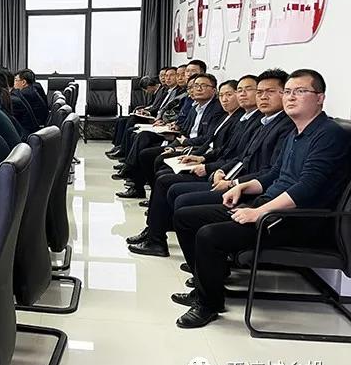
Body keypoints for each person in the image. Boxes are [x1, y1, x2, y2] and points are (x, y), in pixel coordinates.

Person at [172, 69, 350, 328]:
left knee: (209, 235)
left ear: (320, 98)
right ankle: (206, 283)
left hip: (297, 220)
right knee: (185, 217)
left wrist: (258, 212)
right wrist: (241, 187)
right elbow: (275, 174)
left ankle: (208, 304)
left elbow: (308, 188)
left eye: (300, 91)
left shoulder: (329, 134)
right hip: (271, 209)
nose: (291, 97)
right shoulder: (296, 132)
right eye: (288, 91)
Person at [127, 79, 245, 257]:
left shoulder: (237, 118)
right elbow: (211, 143)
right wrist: (196, 155)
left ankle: (156, 238)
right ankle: (153, 230)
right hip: (210, 161)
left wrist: (206, 164)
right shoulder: (229, 116)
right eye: (223, 95)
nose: (225, 99)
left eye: (230, 94)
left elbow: (231, 154)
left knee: (164, 178)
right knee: (161, 170)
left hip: (222, 174)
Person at [168, 69, 294, 211]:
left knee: (182, 201)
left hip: (252, 189)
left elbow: (271, 171)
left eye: (270, 91)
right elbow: (241, 156)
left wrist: (231, 182)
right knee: (173, 188)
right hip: (234, 177)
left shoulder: (283, 125)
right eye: (260, 92)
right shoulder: (264, 122)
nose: (263, 97)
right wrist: (220, 170)